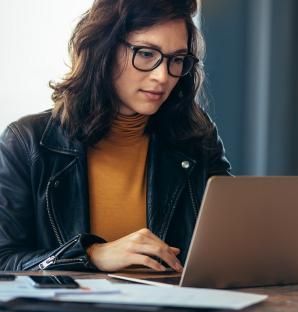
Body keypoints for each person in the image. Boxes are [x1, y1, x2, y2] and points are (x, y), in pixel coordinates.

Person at [0, 0, 230, 272]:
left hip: (174, 310)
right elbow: (4, 260)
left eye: (177, 60)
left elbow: (231, 243)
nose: (163, 76)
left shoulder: (196, 138)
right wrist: (92, 254)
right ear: (103, 50)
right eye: (146, 54)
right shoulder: (27, 142)